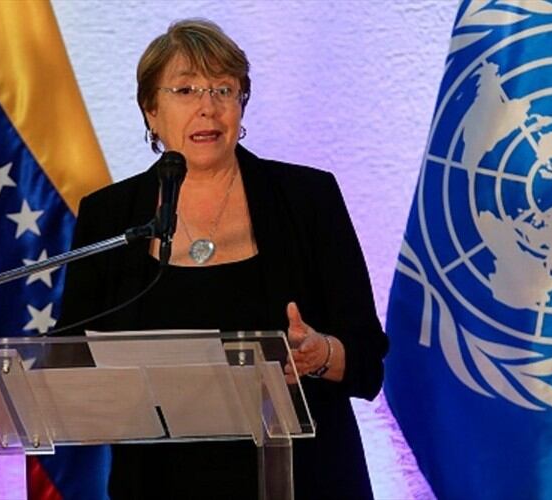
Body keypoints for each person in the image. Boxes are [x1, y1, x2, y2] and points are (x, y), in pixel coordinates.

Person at [56, 18, 388, 499]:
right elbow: (72, 360)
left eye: (223, 90)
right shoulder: (110, 215)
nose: (207, 108)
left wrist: (321, 353)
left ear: (240, 103)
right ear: (151, 110)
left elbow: (368, 360)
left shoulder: (306, 199)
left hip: (302, 478)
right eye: (186, 90)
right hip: (158, 482)